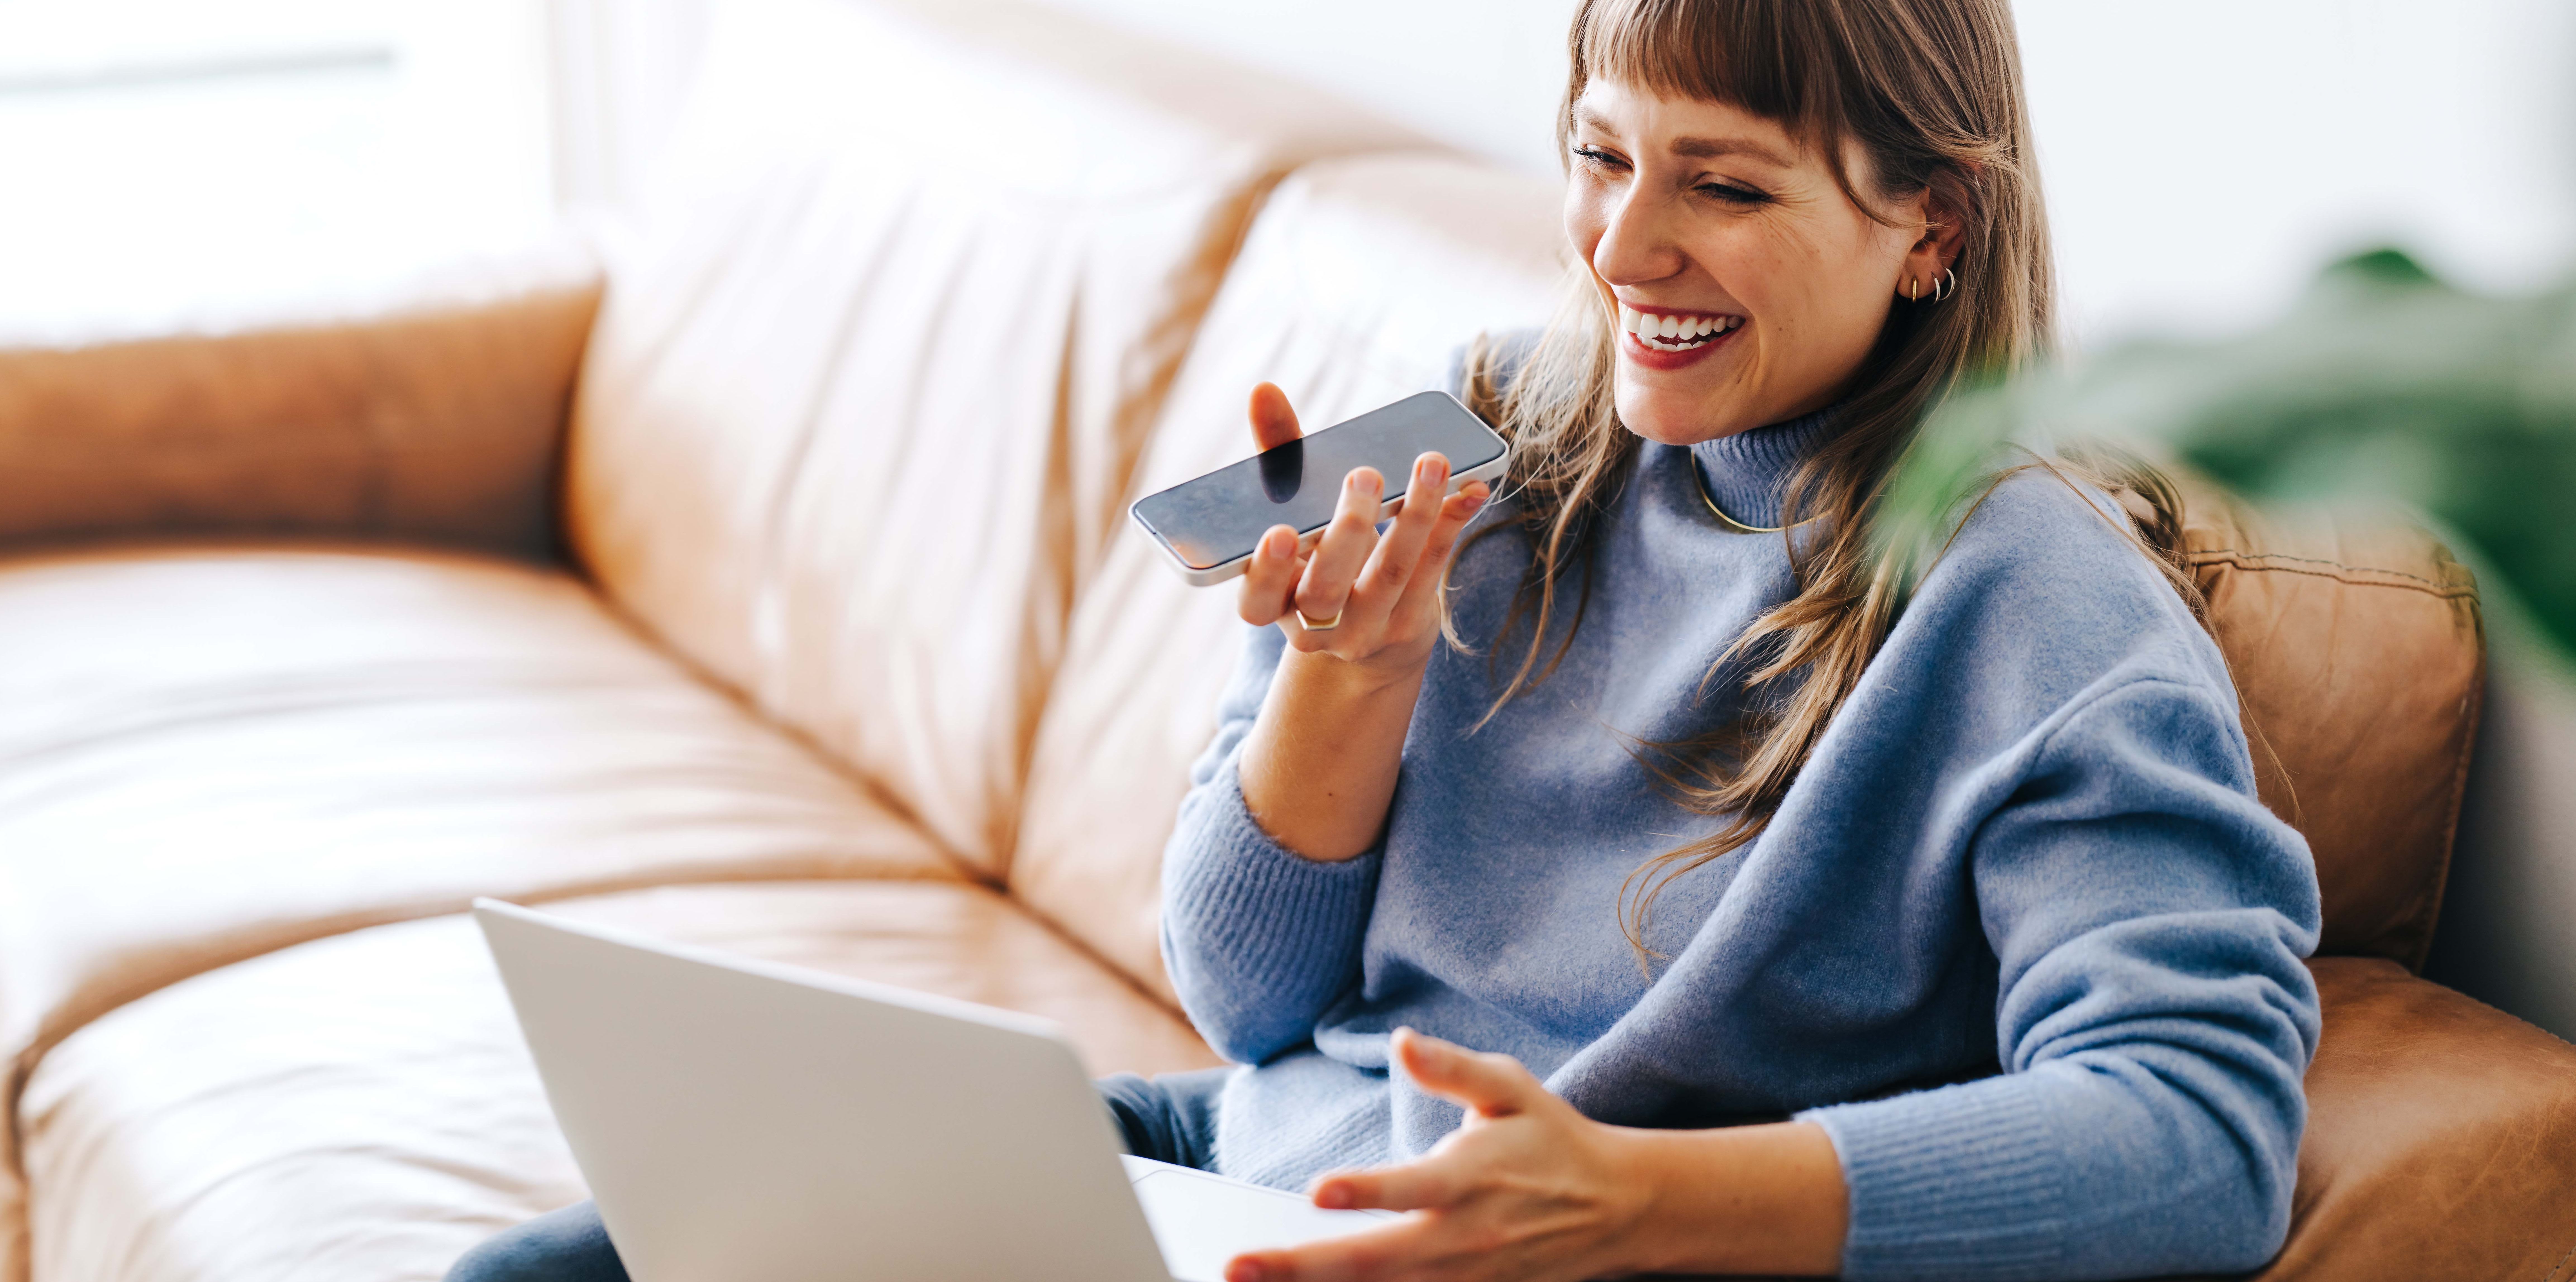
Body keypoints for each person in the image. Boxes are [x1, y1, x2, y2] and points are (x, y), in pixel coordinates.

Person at [448, 0, 2320, 1279]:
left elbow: (2198, 1129)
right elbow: (1247, 1006)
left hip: (1505, 1248)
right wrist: (1346, 685)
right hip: (1239, 1158)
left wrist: (1633, 1204)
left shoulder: (2037, 604)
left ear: (1932, 224)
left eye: (1724, 184)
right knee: (565, 1255)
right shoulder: (1482, 423)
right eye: (1599, 154)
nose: (1620, 248)